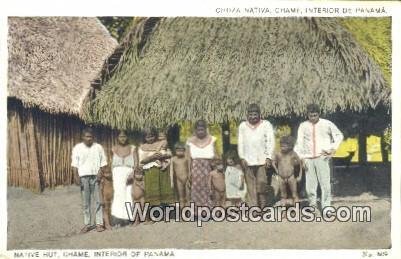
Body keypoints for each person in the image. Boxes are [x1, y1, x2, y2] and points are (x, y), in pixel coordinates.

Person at [294, 104, 343, 211]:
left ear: (319, 114)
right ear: (307, 115)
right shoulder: (303, 126)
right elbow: (299, 143)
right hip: (308, 158)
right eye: (310, 115)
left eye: (315, 115)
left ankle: (327, 207)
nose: (313, 118)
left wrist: (333, 148)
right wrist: (301, 158)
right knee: (310, 185)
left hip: (322, 157)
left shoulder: (327, 124)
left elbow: (339, 135)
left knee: (325, 184)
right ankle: (313, 206)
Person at [237, 103, 275, 208]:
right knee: (250, 185)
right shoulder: (243, 126)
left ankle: (262, 206)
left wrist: (268, 157)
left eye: (255, 114)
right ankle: (253, 207)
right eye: (251, 114)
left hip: (262, 159)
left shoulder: (266, 124)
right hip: (248, 160)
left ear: (259, 114)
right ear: (247, 115)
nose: (253, 117)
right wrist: (242, 157)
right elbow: (241, 143)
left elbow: (270, 141)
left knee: (262, 184)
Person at [71, 127, 107, 233]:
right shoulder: (78, 148)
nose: (89, 139)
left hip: (96, 176)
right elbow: (74, 164)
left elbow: (103, 162)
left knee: (98, 201)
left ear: (93, 137)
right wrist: (76, 176)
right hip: (84, 178)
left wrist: (100, 171)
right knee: (86, 202)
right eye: (87, 136)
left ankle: (99, 224)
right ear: (83, 137)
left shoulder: (98, 147)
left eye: (91, 137)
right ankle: (87, 224)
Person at [138, 128, 174, 210]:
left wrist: (163, 156)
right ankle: (154, 213)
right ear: (144, 137)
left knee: (163, 190)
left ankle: (165, 213)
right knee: (152, 191)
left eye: (152, 136)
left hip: (162, 170)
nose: (150, 138)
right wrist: (152, 157)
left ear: (155, 135)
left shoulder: (161, 143)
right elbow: (142, 161)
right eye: (148, 137)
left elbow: (169, 154)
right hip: (150, 171)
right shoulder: (142, 147)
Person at [186, 120, 218, 209]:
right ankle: (197, 212)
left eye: (202, 129)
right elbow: (188, 158)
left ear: (205, 129)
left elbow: (216, 154)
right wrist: (189, 172)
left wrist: (216, 167)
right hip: (195, 168)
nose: (200, 132)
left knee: (209, 188)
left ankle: (209, 211)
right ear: (195, 130)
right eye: (198, 130)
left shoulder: (212, 139)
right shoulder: (190, 141)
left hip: (209, 167)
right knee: (195, 189)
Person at [110, 130, 138, 225]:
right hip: (117, 174)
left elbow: (136, 163)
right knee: (118, 194)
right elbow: (111, 164)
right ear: (117, 138)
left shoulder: (132, 148)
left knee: (129, 194)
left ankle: (128, 217)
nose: (122, 138)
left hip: (129, 173)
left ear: (127, 137)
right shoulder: (113, 149)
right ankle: (118, 218)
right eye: (120, 136)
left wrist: (133, 174)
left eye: (124, 136)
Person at [272, 136, 303, 206]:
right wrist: (277, 171)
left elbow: (300, 163)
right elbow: (273, 162)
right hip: (281, 177)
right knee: (283, 196)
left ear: (289, 146)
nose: (283, 147)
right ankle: (284, 211)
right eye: (281, 146)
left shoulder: (293, 154)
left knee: (294, 194)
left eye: (285, 146)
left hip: (291, 176)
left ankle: (297, 209)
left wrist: (299, 175)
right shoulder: (278, 154)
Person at [170, 142, 191, 207]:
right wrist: (171, 181)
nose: (180, 152)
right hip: (178, 180)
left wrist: (190, 179)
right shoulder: (173, 159)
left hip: (187, 179)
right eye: (178, 150)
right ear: (175, 150)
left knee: (188, 197)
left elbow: (190, 169)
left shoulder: (186, 158)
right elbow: (171, 171)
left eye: (182, 150)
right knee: (181, 197)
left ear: (184, 151)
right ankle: (182, 213)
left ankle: (188, 213)